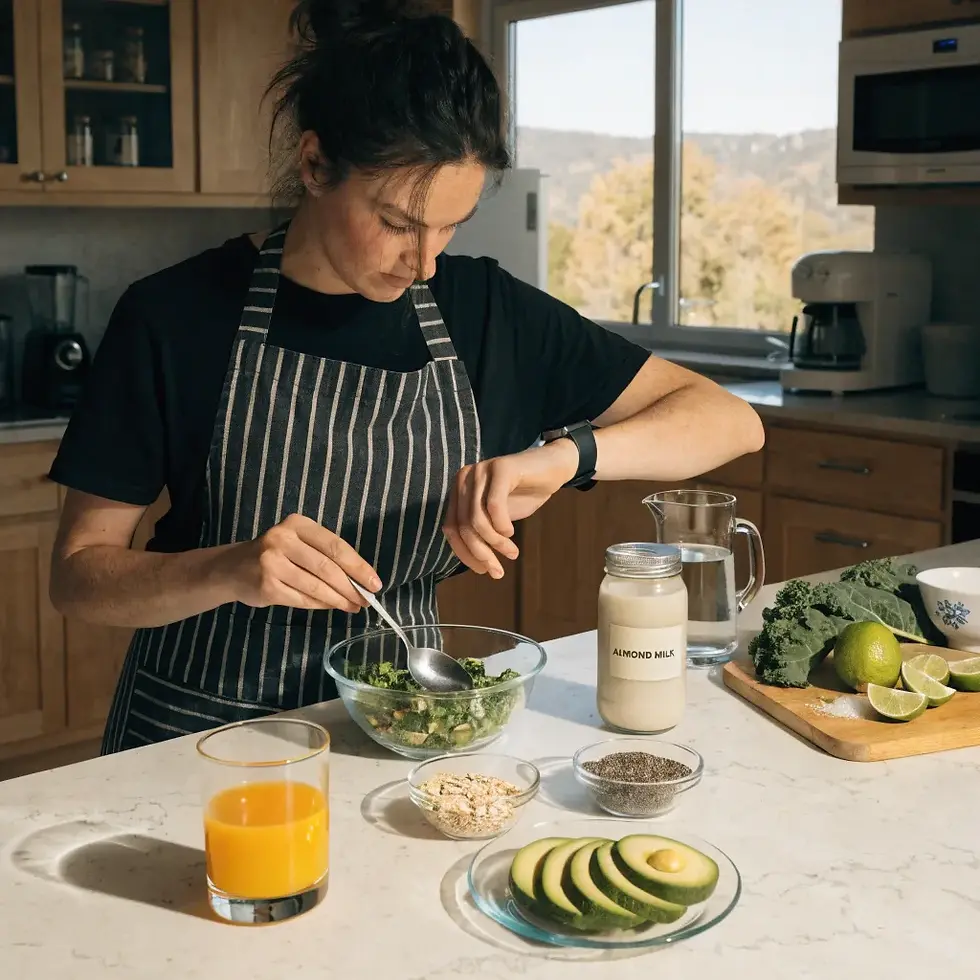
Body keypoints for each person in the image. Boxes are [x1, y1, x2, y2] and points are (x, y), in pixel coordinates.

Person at [48, 0, 765, 754]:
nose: (423, 261)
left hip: (399, 728)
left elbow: (728, 421)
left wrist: (565, 458)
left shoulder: (484, 311)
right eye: (396, 222)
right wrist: (227, 570)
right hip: (197, 736)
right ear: (316, 164)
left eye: (450, 226)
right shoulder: (174, 315)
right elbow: (77, 577)